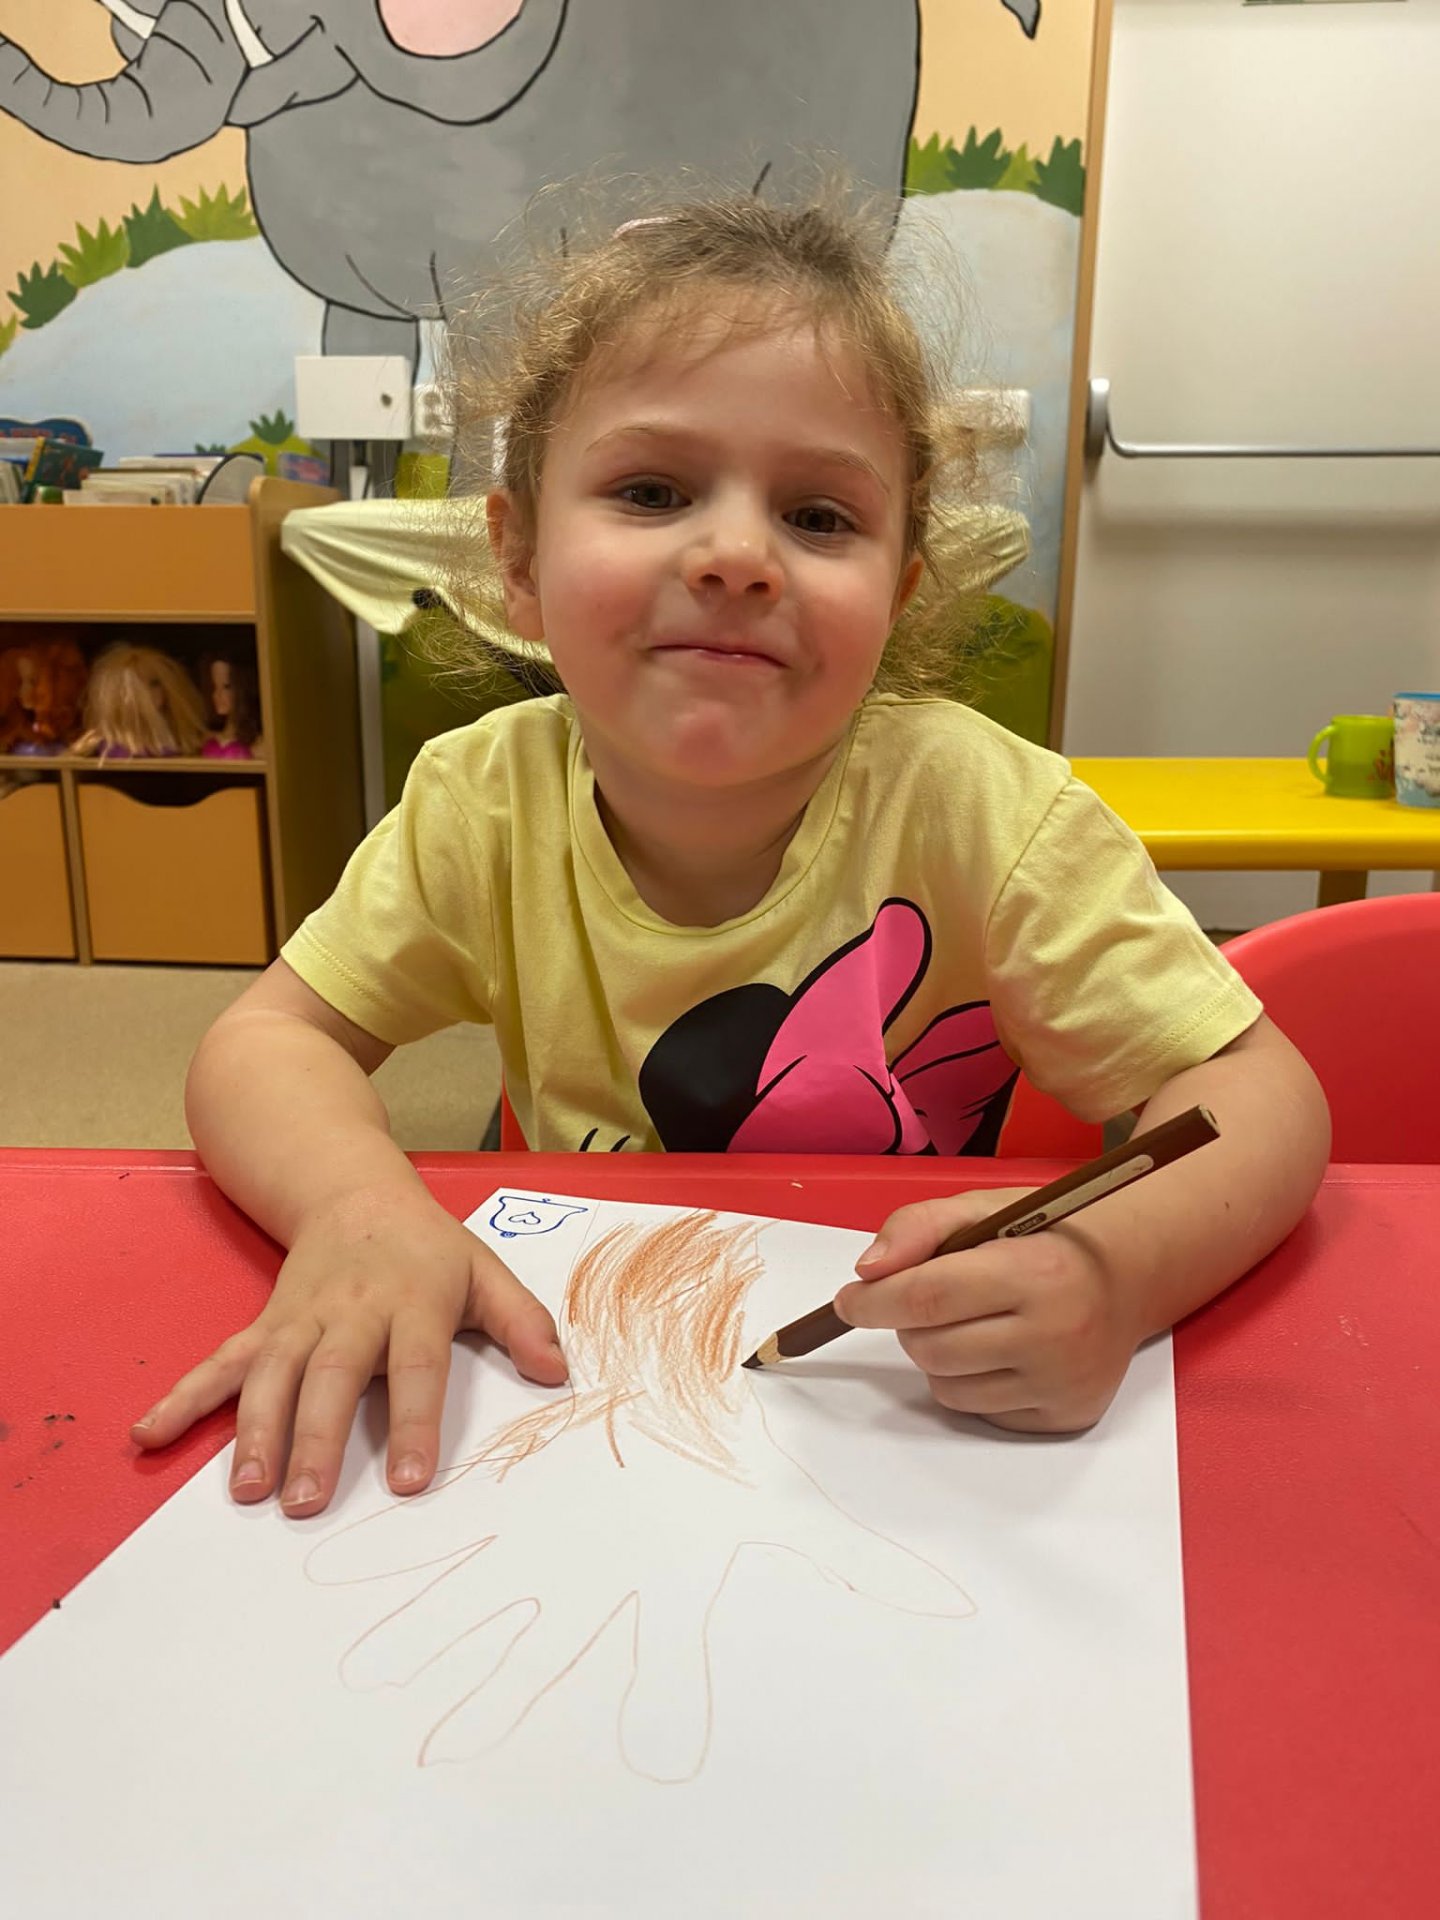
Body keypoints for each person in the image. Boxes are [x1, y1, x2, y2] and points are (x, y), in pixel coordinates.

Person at [131, 190, 1329, 1517]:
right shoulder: (483, 800)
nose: (739, 556)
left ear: (899, 595)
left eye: (819, 517)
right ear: (518, 559)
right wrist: (359, 1209)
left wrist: (1116, 1268)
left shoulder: (988, 811)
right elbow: (264, 1044)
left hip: (900, 1420)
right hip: (593, 1407)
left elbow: (1260, 1097)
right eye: (652, 491)